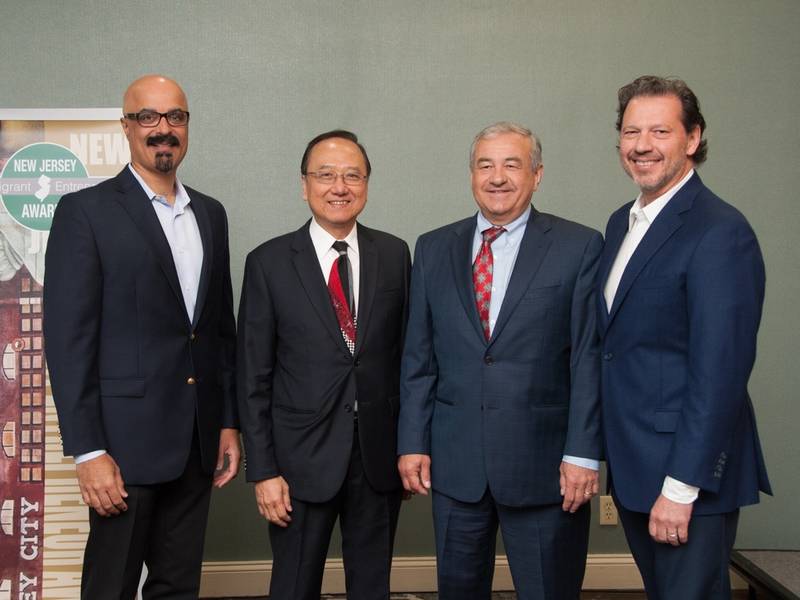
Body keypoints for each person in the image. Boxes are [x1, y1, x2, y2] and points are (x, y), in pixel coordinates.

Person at [43, 74, 240, 598]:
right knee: (111, 587)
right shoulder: (85, 212)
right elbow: (68, 342)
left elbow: (220, 331)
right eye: (147, 117)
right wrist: (88, 451)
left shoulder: (211, 214)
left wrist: (227, 422)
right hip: (122, 449)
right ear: (126, 126)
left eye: (175, 116)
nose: (162, 128)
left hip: (195, 443)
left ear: (187, 126)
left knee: (177, 587)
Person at [398, 122, 602, 600]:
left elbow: (588, 358)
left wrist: (582, 453)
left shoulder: (578, 245)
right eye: (485, 165)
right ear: (471, 174)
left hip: (546, 468)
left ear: (537, 174)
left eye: (512, 164)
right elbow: (419, 358)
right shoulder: (433, 247)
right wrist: (412, 442)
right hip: (456, 466)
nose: (497, 177)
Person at [597, 75, 772, 599]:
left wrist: (680, 486)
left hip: (685, 477)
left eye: (660, 131)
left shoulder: (720, 230)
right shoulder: (622, 223)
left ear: (693, 138)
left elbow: (720, 373)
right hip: (634, 465)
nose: (642, 145)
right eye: (631, 132)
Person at [237, 130, 410, 600]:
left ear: (367, 184)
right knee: (294, 586)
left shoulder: (394, 254)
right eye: (326, 175)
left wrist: (409, 447)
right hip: (298, 461)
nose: (339, 187)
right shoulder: (268, 262)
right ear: (304, 185)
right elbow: (252, 376)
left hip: (377, 457)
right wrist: (263, 470)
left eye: (353, 176)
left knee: (372, 587)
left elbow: (406, 360)